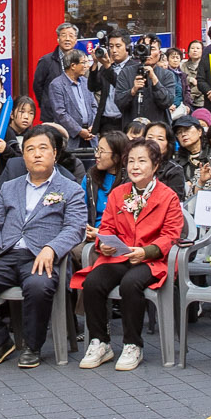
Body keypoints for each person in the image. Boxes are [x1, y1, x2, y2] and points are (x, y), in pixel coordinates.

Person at [0, 124, 86, 368]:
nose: (37, 154)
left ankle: (32, 346)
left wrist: (52, 248)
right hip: (5, 254)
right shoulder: (9, 187)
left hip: (41, 255)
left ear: (55, 154)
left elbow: (75, 228)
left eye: (43, 148)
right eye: (30, 149)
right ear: (24, 156)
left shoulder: (70, 189)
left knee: (39, 286)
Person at [73, 135, 182, 371]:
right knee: (93, 282)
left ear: (155, 166)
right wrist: (105, 244)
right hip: (120, 255)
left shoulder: (168, 197)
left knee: (131, 283)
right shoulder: (119, 193)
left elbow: (172, 235)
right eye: (131, 161)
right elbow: (108, 227)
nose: (135, 166)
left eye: (142, 161)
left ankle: (133, 344)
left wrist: (146, 251)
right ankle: (100, 341)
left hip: (152, 259)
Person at [45, 49, 98, 163]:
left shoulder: (85, 81)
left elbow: (94, 105)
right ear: (73, 65)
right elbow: (60, 113)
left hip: (90, 136)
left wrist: (94, 125)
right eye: (83, 62)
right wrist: (79, 131)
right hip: (71, 138)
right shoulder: (57, 85)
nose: (86, 65)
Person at [31, 20, 82, 112]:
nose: (67, 39)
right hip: (52, 113)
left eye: (71, 36)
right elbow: (37, 86)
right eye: (63, 35)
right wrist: (46, 104)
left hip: (75, 112)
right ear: (58, 39)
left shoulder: (81, 60)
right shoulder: (46, 61)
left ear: (75, 40)